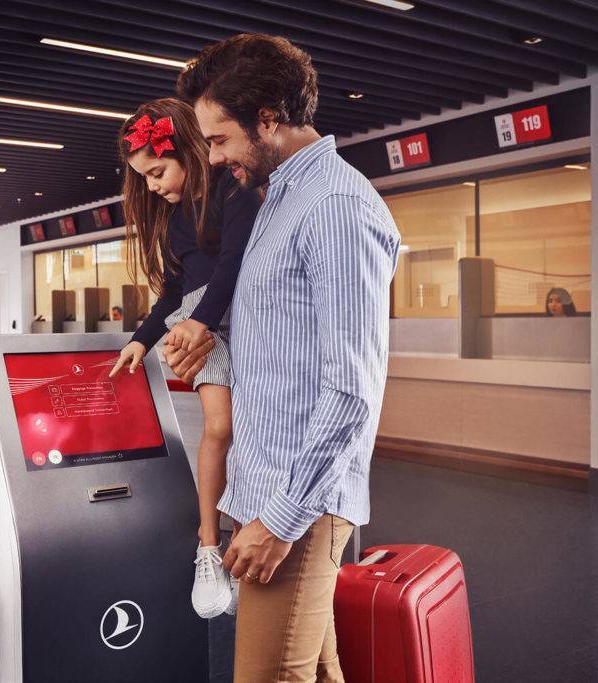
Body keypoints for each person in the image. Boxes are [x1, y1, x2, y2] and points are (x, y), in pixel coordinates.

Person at [169, 34, 401, 681]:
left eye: (219, 140)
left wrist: (279, 518)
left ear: (267, 118)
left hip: (297, 505)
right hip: (264, 486)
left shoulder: (336, 206)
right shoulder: (280, 198)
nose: (213, 158)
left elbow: (351, 389)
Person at [108, 98, 261, 620]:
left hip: (246, 317)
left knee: (257, 432)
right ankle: (208, 546)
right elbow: (176, 290)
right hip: (203, 321)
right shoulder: (175, 222)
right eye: (145, 177)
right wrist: (142, 338)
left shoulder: (232, 192)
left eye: (157, 171)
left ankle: (246, 537)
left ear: (189, 151)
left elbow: (236, 262)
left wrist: (204, 322)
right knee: (220, 429)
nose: (152, 186)